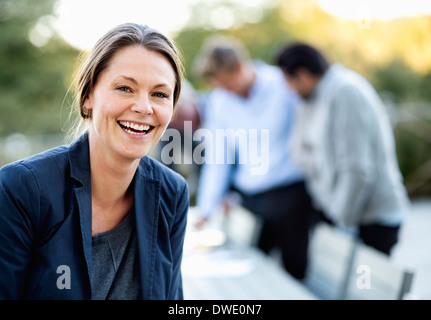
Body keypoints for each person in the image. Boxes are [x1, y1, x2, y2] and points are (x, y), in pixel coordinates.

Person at [0, 23, 189, 300]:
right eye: (125, 88)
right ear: (88, 96)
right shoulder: (22, 189)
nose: (144, 107)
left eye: (160, 94)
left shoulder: (172, 193)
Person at [192, 35, 315, 280]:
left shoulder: (283, 84)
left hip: (292, 197)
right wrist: (206, 209)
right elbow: (218, 158)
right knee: (249, 271)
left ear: (240, 67)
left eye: (227, 83)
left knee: (295, 272)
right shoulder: (220, 102)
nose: (224, 90)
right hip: (252, 201)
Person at [275, 43, 410, 255]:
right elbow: (299, 152)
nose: (288, 89)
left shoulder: (346, 92)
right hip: (338, 212)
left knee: (368, 288)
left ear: (302, 75)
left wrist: (340, 222)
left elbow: (356, 169)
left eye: (288, 81)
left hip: (369, 218)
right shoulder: (308, 99)